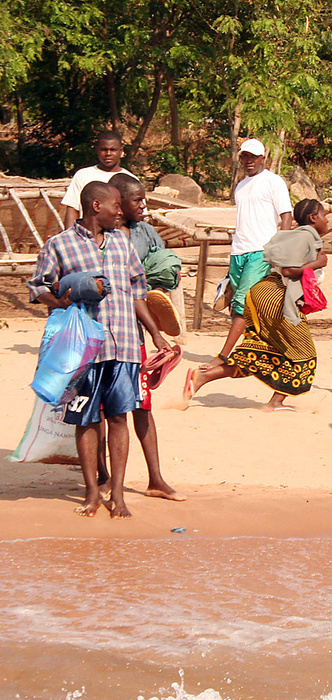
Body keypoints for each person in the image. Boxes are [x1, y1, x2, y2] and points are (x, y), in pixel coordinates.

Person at [27, 182, 171, 518]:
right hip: (84, 349)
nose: (120, 212)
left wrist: (155, 334)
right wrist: (61, 299)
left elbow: (138, 292)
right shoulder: (59, 245)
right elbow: (37, 286)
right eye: (116, 206)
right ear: (96, 206)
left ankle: (118, 495)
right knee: (87, 420)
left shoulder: (122, 242)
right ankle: (92, 493)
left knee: (119, 417)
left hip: (123, 345)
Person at [183, 199, 328, 411]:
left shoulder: (302, 236)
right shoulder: (305, 236)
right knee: (304, 353)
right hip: (274, 297)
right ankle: (275, 402)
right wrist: (319, 263)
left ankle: (200, 378)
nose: (327, 221)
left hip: (265, 295)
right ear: (313, 218)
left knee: (260, 351)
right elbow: (288, 270)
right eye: (325, 216)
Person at [103, 173, 184, 502]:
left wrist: (157, 322)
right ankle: (103, 478)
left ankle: (156, 479)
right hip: (103, 335)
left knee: (141, 406)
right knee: (103, 410)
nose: (143, 205)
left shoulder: (146, 233)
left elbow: (163, 273)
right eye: (137, 200)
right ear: (117, 203)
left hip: (132, 333)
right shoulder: (100, 236)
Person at [204, 138, 292, 372]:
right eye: (245, 156)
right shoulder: (241, 186)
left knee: (242, 303)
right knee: (240, 305)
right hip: (239, 251)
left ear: (263, 158)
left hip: (260, 251)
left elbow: (286, 217)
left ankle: (222, 356)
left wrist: (278, 250)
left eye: (253, 156)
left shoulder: (274, 182)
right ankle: (255, 349)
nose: (249, 160)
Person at [60, 130, 139, 228]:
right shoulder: (83, 175)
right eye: (104, 149)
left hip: (120, 235)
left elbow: (137, 212)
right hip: (88, 234)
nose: (108, 153)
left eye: (113, 149)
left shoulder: (130, 180)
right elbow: (72, 209)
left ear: (121, 151)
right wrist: (70, 238)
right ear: (97, 150)